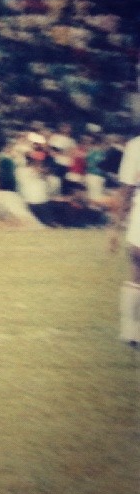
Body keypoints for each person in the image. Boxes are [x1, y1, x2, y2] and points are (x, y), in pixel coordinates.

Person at [110, 134, 140, 348]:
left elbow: (126, 190)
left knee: (137, 271)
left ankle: (130, 330)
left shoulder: (135, 145)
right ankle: (130, 329)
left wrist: (115, 227)